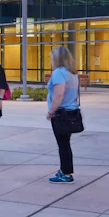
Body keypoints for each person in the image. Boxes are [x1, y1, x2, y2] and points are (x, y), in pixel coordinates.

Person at [46, 46, 80, 183]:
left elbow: (58, 94)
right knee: (65, 143)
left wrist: (51, 111)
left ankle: (65, 173)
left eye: (51, 57)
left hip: (61, 113)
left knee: (63, 144)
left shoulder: (59, 73)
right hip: (71, 111)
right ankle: (65, 171)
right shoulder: (72, 73)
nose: (50, 59)